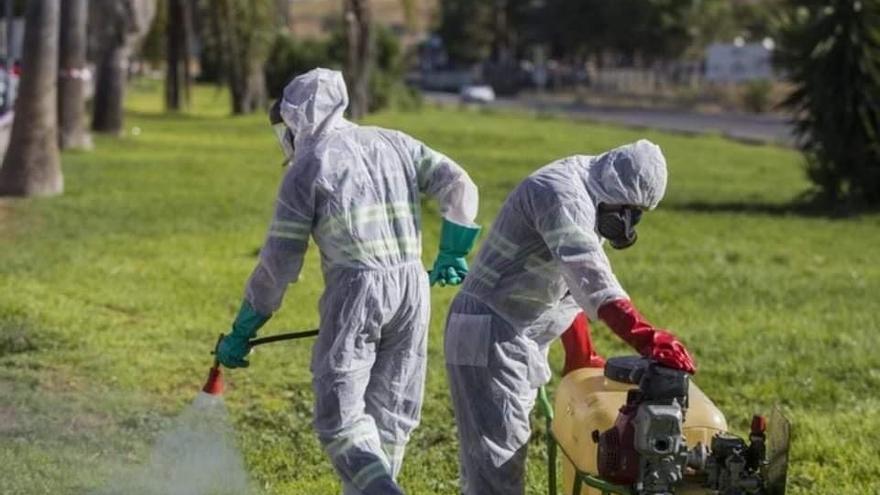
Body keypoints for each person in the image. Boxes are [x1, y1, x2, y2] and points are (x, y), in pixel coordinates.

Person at [215, 68, 481, 495]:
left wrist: (245, 327)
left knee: (339, 420)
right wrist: (454, 246)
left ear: (296, 118)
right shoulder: (393, 141)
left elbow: (278, 264)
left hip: (356, 291)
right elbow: (458, 182)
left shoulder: (307, 168)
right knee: (391, 414)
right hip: (412, 288)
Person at [443, 139, 696, 495]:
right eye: (630, 211)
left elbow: (567, 283)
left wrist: (580, 351)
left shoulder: (594, 191)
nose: (630, 223)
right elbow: (591, 277)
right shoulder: (561, 194)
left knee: (498, 458)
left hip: (513, 334)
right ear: (616, 193)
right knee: (495, 469)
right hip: (489, 334)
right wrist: (647, 336)